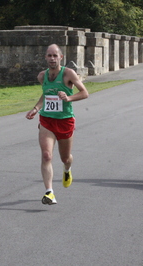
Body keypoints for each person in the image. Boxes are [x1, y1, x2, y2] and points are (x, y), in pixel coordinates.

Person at [25, 44, 89, 205]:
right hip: (47, 120)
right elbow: (46, 94)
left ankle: (67, 170)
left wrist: (68, 98)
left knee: (65, 158)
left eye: (55, 55)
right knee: (47, 155)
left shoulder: (68, 73)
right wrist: (36, 108)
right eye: (49, 55)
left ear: (61, 57)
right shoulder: (42, 76)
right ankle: (49, 192)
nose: (52, 58)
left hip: (65, 120)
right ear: (45, 57)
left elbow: (84, 93)